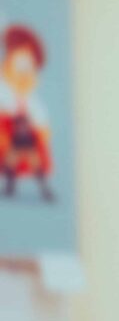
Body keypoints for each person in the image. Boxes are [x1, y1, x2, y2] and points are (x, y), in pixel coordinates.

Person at [0, 24, 54, 201]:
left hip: (28, 138)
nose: (23, 74)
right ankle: (9, 188)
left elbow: (39, 119)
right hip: (14, 137)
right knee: (10, 162)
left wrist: (41, 131)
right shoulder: (7, 95)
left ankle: (45, 190)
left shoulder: (30, 100)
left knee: (36, 163)